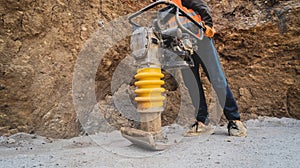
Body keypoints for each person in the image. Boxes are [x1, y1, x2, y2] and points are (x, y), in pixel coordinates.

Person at [171, 0, 247, 137]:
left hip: (201, 39)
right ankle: (202, 121)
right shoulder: (163, 8)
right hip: (182, 46)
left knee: (216, 78)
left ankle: (235, 120)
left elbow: (201, 6)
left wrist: (208, 25)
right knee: (192, 83)